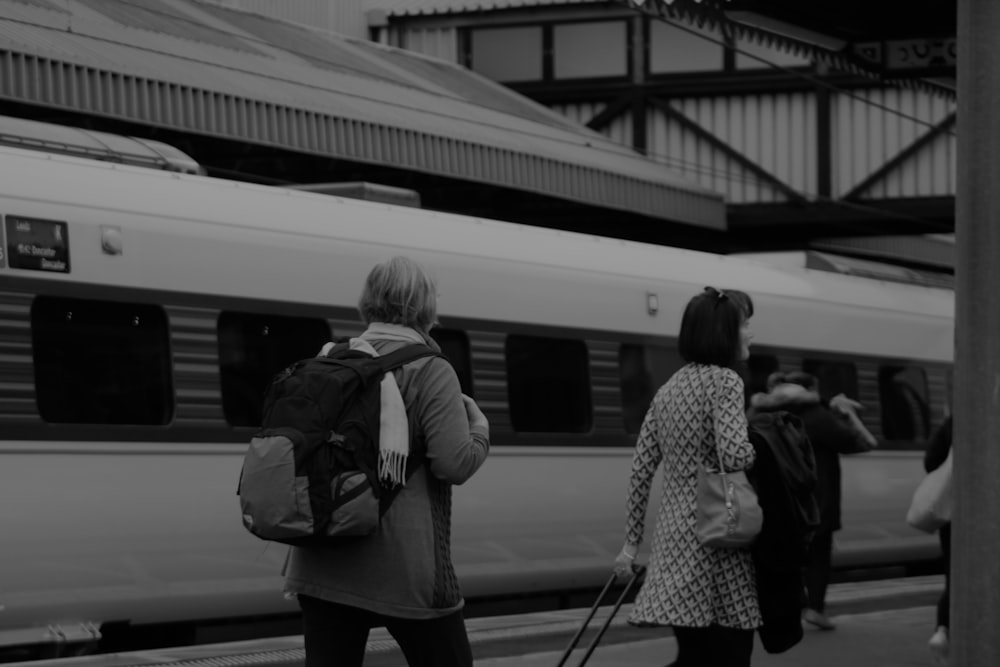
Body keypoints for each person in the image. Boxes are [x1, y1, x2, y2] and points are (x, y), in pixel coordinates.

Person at [283, 256, 491, 667]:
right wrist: (480, 428)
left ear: (370, 301)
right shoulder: (430, 368)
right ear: (425, 307)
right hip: (403, 563)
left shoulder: (330, 358)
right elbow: (454, 464)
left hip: (321, 558)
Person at [614, 286, 759, 667]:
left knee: (694, 656)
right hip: (720, 542)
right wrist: (762, 443)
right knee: (731, 656)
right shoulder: (726, 381)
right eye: (744, 325)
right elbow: (734, 453)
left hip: (674, 548)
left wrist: (631, 545)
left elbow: (641, 470)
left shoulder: (667, 391)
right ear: (725, 333)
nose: (751, 333)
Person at [747, 371, 877, 631]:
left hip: (770, 500)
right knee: (817, 554)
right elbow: (862, 443)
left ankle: (770, 612)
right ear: (810, 390)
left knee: (776, 556)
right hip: (816, 500)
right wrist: (845, 413)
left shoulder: (757, 415)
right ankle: (815, 609)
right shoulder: (818, 417)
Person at [924, 415, 952, 664]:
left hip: (954, 512)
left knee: (955, 575)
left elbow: (930, 461)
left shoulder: (954, 421)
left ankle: (942, 629)